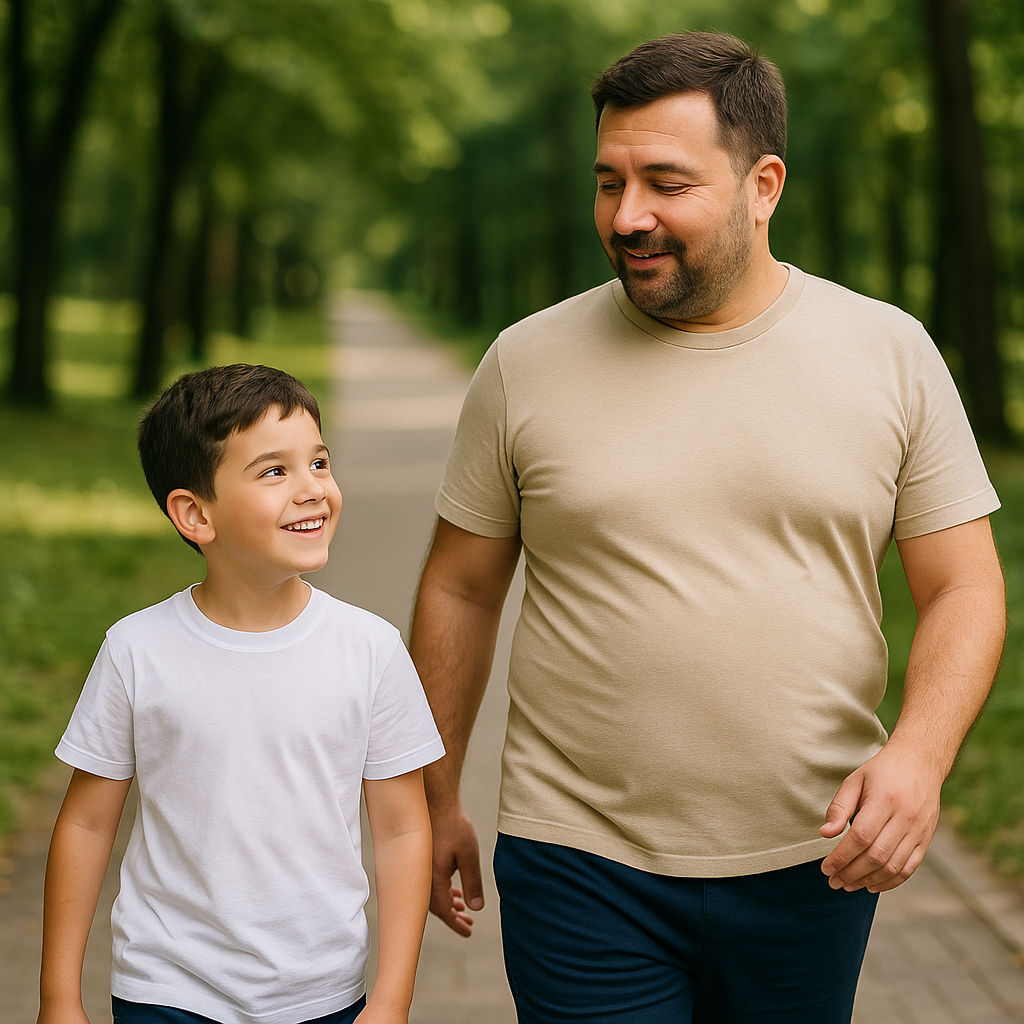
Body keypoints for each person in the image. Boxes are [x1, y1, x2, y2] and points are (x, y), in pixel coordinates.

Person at [408, 30, 1006, 1024]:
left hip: (813, 860)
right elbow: (458, 588)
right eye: (608, 181)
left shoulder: (889, 353)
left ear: (761, 184)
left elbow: (965, 585)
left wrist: (918, 756)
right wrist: (428, 801)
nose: (627, 216)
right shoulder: (524, 361)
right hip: (577, 859)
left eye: (664, 182)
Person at [37, 364, 445, 1024]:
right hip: (166, 989)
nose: (312, 489)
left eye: (318, 462)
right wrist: (58, 997)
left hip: (321, 996)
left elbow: (401, 829)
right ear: (196, 514)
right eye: (275, 471)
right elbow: (86, 823)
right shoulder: (137, 650)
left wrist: (392, 1000)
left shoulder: (368, 650)